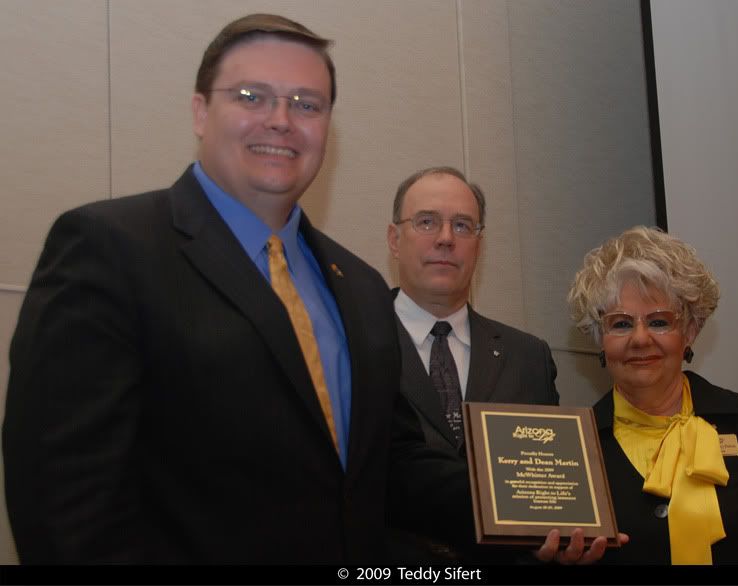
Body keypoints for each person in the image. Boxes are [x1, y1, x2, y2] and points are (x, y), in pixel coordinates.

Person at [3, 13, 609, 565]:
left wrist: (544, 515)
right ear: (197, 111)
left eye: (307, 104)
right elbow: (62, 499)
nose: (280, 119)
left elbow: (390, 465)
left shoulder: (359, 288)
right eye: (250, 96)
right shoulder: (110, 248)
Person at [567, 225, 738, 564]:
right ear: (600, 337)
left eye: (659, 322)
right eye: (621, 324)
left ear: (690, 331)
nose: (640, 339)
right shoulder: (576, 448)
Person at [385, 167, 559, 561]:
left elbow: (546, 486)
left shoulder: (529, 357)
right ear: (394, 239)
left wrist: (559, 539)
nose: (446, 239)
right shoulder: (351, 340)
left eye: (463, 226)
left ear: (479, 244)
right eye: (427, 222)